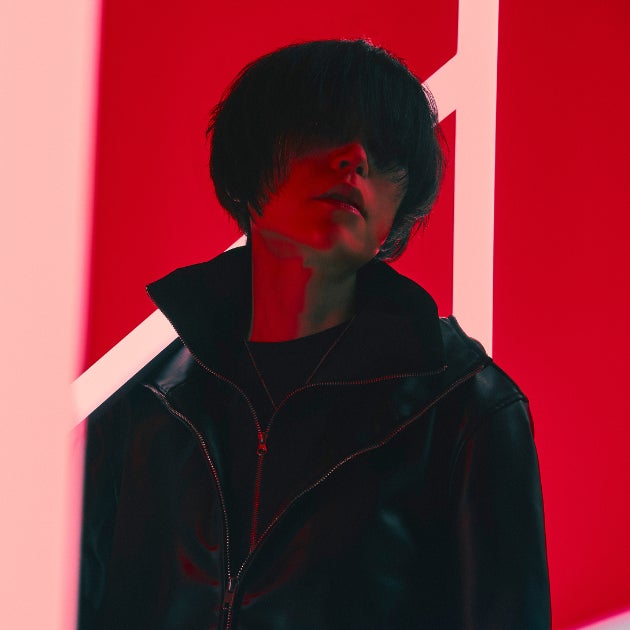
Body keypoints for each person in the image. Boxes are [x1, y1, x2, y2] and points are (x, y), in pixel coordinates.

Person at [79, 39, 550, 629]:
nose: (355, 157)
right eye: (323, 130)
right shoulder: (141, 402)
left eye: (385, 152)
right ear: (251, 164)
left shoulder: (467, 408)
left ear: (397, 212)